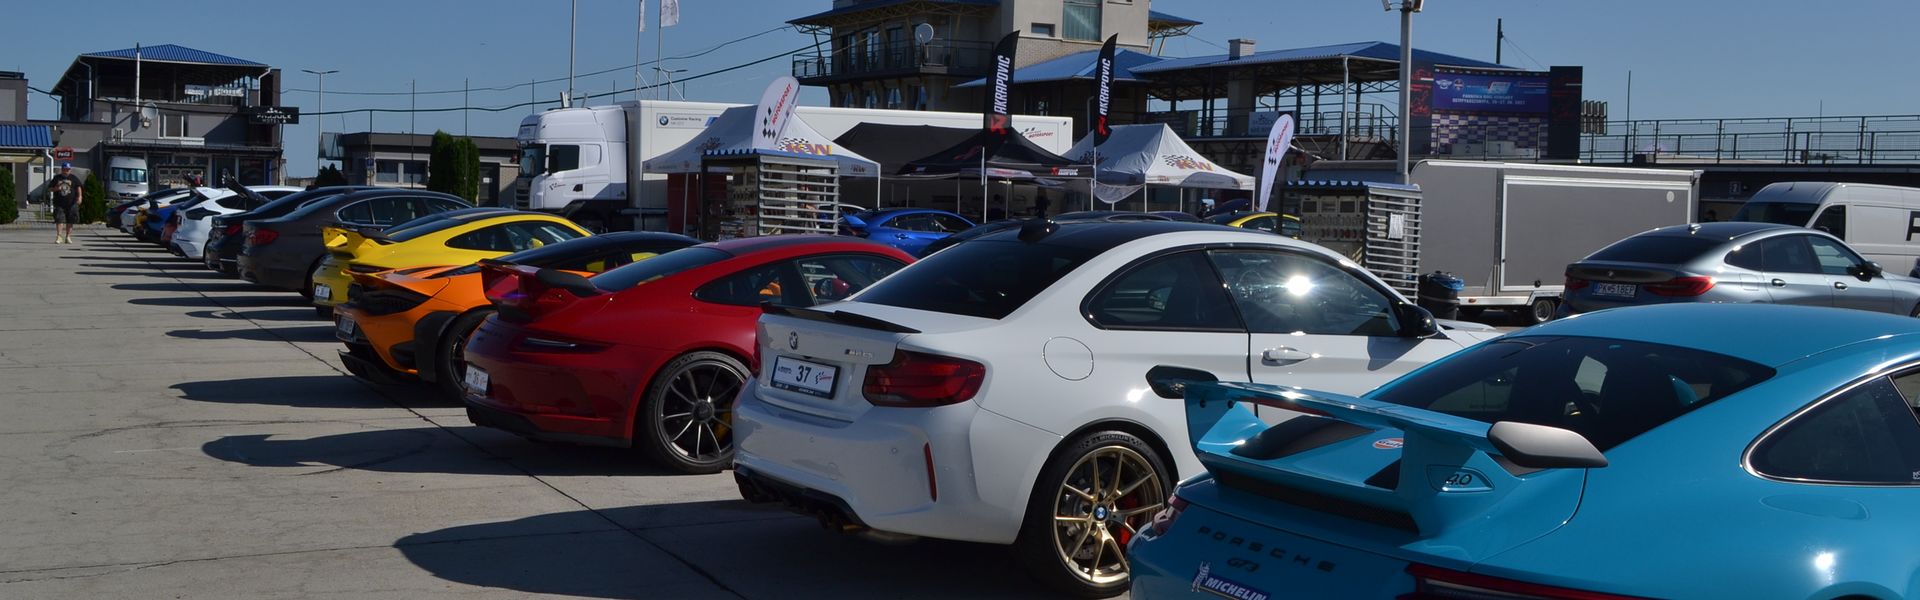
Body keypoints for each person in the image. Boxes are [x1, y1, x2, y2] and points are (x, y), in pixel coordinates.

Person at [48, 162, 83, 244]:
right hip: (60, 203)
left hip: (71, 203)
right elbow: (50, 188)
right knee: (59, 219)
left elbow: (78, 187)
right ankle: (59, 236)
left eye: (67, 169)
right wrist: (56, 188)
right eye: (64, 169)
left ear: (70, 170)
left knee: (70, 220)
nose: (66, 171)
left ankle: (68, 236)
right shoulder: (57, 178)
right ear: (62, 169)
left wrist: (80, 197)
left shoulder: (73, 178)